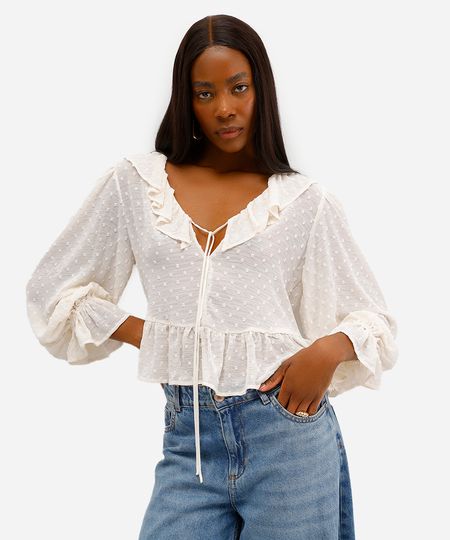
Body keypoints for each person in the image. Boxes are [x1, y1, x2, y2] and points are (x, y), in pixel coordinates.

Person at [25, 13, 399, 540]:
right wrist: (152, 335)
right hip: (189, 443)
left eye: (238, 88)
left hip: (287, 435)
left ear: (260, 90)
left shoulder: (303, 202)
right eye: (205, 93)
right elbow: (54, 290)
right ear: (187, 101)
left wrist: (326, 350)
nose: (224, 107)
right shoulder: (136, 184)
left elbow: (374, 322)